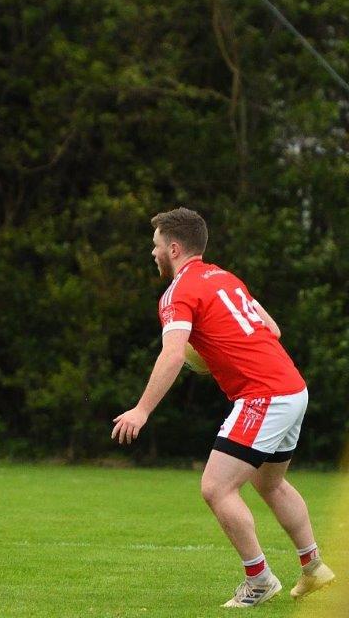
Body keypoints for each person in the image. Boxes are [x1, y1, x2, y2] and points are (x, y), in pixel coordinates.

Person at [112, 207, 335, 608]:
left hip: (263, 394)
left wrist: (142, 410)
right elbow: (273, 330)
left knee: (216, 487)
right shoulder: (225, 278)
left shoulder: (178, 292)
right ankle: (314, 567)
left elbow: (172, 354)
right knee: (270, 483)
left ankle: (259, 580)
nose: (153, 254)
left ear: (174, 248)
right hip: (292, 389)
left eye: (156, 246)